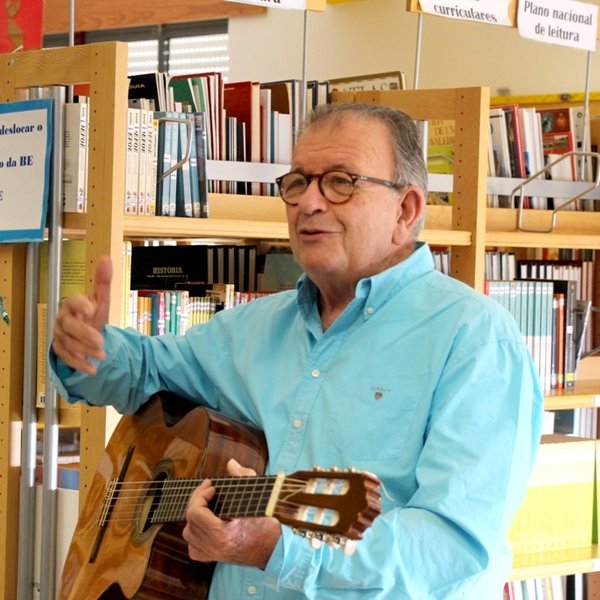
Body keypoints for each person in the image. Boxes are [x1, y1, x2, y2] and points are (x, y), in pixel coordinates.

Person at [50, 102, 543, 599]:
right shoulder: (252, 326)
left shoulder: (476, 341)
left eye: (340, 182)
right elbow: (145, 372)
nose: (309, 203)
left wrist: (280, 551)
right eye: (297, 182)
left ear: (406, 210)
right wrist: (89, 351)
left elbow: (450, 551)